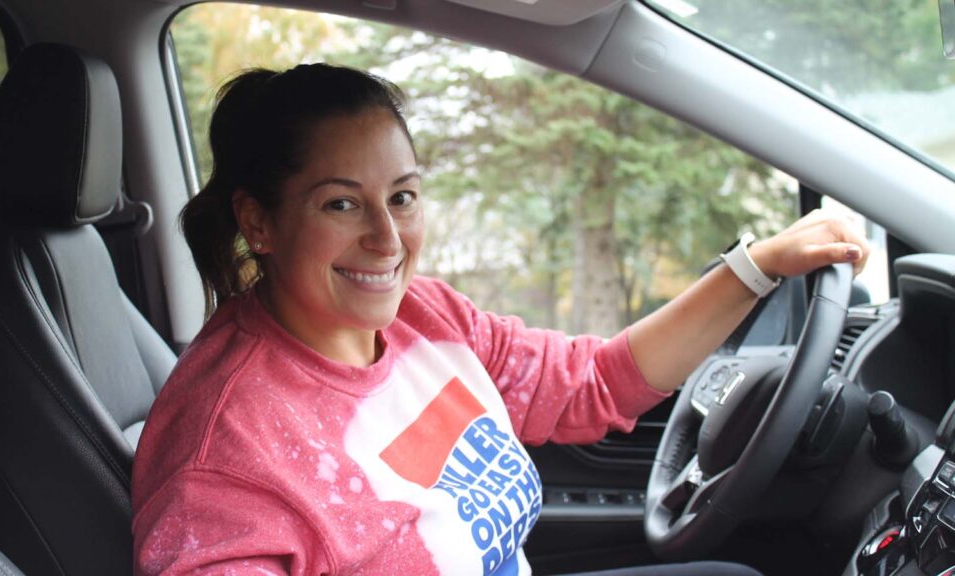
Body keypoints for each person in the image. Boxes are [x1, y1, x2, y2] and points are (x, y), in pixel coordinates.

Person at [131, 63, 870, 575]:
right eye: (340, 203)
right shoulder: (224, 449)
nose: (387, 240)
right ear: (258, 222)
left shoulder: (426, 315)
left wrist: (756, 268)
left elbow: (591, 384)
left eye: (404, 196)